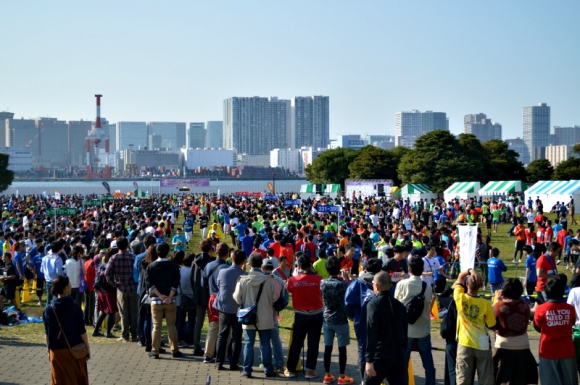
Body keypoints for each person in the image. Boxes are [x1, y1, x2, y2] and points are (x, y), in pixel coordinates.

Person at [234, 253, 280, 378]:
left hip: (249, 315)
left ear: (249, 264)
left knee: (249, 343)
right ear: (261, 265)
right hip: (265, 315)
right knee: (265, 343)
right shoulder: (269, 279)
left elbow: (237, 298)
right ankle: (268, 369)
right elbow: (275, 297)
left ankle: (247, 369)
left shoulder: (243, 280)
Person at [394, 256, 436, 385]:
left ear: (409, 269)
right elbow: (429, 303)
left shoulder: (401, 284)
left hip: (406, 331)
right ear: (422, 269)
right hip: (423, 329)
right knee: (428, 365)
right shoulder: (427, 286)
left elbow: (397, 304)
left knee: (402, 365)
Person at [43, 274, 90, 385]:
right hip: (75, 350)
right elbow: (82, 331)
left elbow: (47, 334)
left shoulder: (49, 309)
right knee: (76, 380)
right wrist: (87, 347)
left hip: (56, 351)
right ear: (65, 288)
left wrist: (49, 350)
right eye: (69, 284)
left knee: (59, 381)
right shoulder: (74, 307)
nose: (70, 286)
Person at [453, 268, 496, 385]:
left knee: (462, 379)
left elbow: (459, 278)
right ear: (482, 285)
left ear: (466, 284)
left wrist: (471, 271)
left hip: (464, 343)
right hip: (482, 345)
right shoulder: (486, 303)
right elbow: (492, 324)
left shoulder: (460, 298)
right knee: (486, 379)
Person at [364, 271, 408, 385]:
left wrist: (369, 360)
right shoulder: (400, 306)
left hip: (380, 356)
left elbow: (371, 332)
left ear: (377, 286)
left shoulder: (373, 305)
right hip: (398, 355)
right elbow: (405, 331)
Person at [492, 278, 538, 384]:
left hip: (504, 348)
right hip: (523, 348)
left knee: (502, 380)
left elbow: (489, 321)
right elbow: (532, 313)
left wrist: (497, 300)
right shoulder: (524, 305)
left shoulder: (498, 306)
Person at [285, 255, 324, 379]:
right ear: (310, 266)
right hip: (317, 315)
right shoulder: (319, 279)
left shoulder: (293, 280)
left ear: (299, 266)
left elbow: (288, 289)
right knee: (313, 343)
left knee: (296, 342)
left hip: (301, 315)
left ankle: (290, 369)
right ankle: (310, 370)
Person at [534, 274, 577, 385]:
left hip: (548, 351)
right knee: (569, 381)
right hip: (567, 350)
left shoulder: (541, 309)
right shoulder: (570, 308)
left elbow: (537, 326)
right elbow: (572, 323)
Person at [144, 241, 182, 359]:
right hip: (170, 300)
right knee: (171, 325)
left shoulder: (150, 266)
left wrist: (160, 296)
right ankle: (174, 350)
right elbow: (175, 284)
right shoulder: (174, 267)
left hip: (156, 300)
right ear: (167, 252)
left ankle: (155, 351)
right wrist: (169, 297)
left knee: (156, 326)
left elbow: (150, 283)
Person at [320, 256, 354, 385]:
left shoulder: (322, 283)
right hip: (340, 318)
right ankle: (342, 375)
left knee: (327, 348)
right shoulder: (342, 284)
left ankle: (327, 374)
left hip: (327, 318)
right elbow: (349, 293)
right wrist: (347, 278)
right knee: (342, 349)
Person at [214, 249, 247, 370]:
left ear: (231, 258)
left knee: (222, 335)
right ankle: (234, 363)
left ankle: (219, 362)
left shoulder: (222, 272)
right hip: (238, 309)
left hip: (224, 306)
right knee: (237, 337)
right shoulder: (245, 275)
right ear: (244, 261)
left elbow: (219, 285)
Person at [105, 236, 139, 342]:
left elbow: (107, 273)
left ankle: (125, 335)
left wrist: (114, 284)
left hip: (121, 288)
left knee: (123, 313)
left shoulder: (114, 258)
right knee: (134, 312)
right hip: (133, 287)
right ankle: (134, 334)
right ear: (127, 244)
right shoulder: (133, 257)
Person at [201, 242, 229, 363]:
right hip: (224, 299)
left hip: (212, 297)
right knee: (226, 329)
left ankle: (208, 354)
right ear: (227, 254)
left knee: (213, 327)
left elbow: (203, 283)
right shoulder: (227, 267)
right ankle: (223, 353)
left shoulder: (208, 266)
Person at [191, 238, 214, 356]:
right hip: (210, 294)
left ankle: (196, 345)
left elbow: (191, 278)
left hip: (198, 294)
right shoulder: (211, 263)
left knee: (198, 322)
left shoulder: (194, 261)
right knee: (212, 322)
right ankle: (211, 347)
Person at [93, 248, 119, 338]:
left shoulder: (102, 263)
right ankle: (108, 332)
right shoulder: (111, 264)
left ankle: (96, 330)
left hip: (101, 290)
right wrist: (115, 284)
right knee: (111, 312)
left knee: (103, 311)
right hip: (109, 290)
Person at [40, 240, 65, 305]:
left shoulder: (45, 257)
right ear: (59, 249)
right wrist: (65, 271)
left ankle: (46, 314)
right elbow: (59, 272)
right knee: (56, 301)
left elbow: (41, 270)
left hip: (47, 282)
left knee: (48, 301)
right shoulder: (58, 259)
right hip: (55, 282)